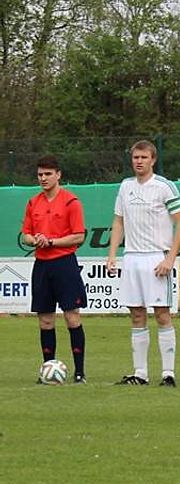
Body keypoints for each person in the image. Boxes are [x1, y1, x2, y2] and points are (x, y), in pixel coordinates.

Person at [107, 140, 180, 387]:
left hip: (156, 258)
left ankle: (168, 373)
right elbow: (118, 221)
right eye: (136, 157)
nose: (139, 161)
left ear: (153, 160)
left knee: (162, 314)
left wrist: (170, 258)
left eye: (144, 157)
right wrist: (112, 255)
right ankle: (140, 373)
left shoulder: (164, 186)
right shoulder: (126, 186)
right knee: (136, 315)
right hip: (132, 257)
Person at [22, 155, 88, 383]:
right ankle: (48, 370)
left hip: (64, 264)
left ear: (58, 175)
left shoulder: (71, 202)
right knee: (45, 320)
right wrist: (34, 240)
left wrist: (51, 242)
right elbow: (26, 234)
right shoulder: (33, 203)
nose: (43, 178)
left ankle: (79, 372)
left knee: (72, 317)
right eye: (40, 174)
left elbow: (79, 236)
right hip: (42, 266)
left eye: (48, 174)